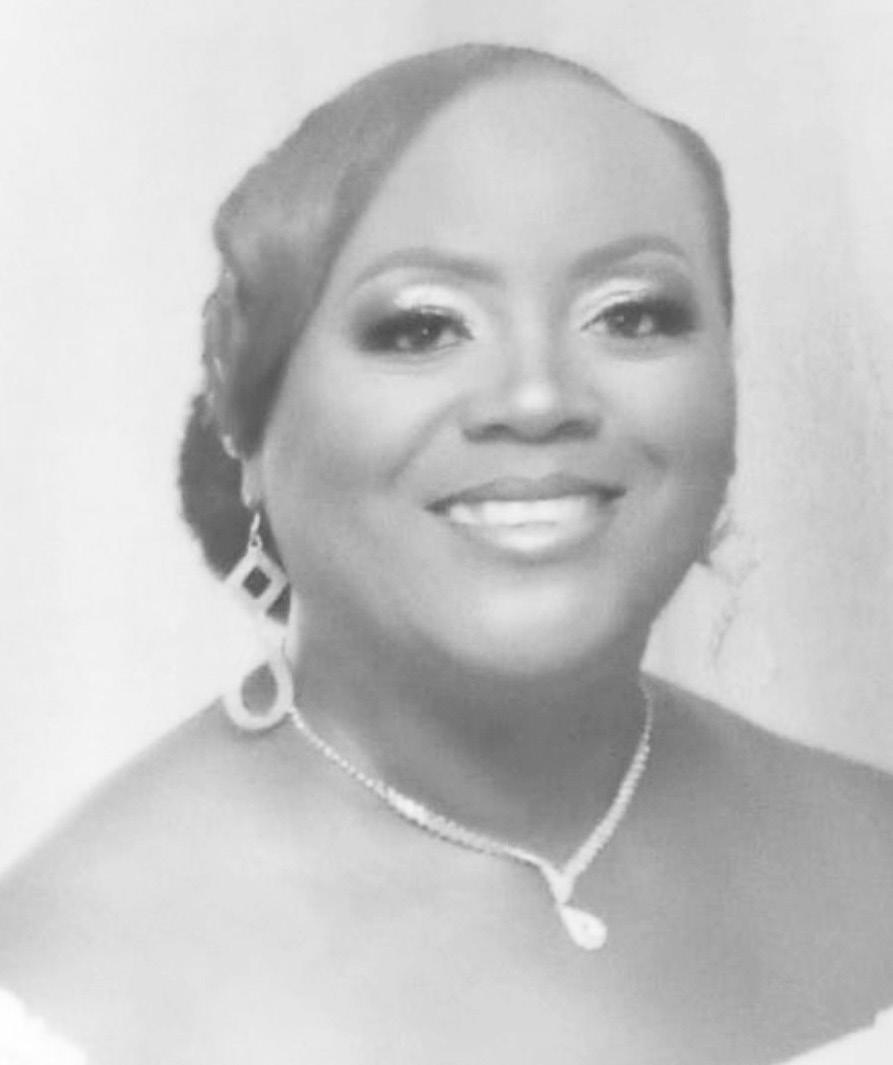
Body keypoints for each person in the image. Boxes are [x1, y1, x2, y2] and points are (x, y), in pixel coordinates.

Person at [0, 42, 891, 1065]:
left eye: (630, 314)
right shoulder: (59, 985)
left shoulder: (871, 842)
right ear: (247, 427)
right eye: (423, 327)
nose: (538, 397)